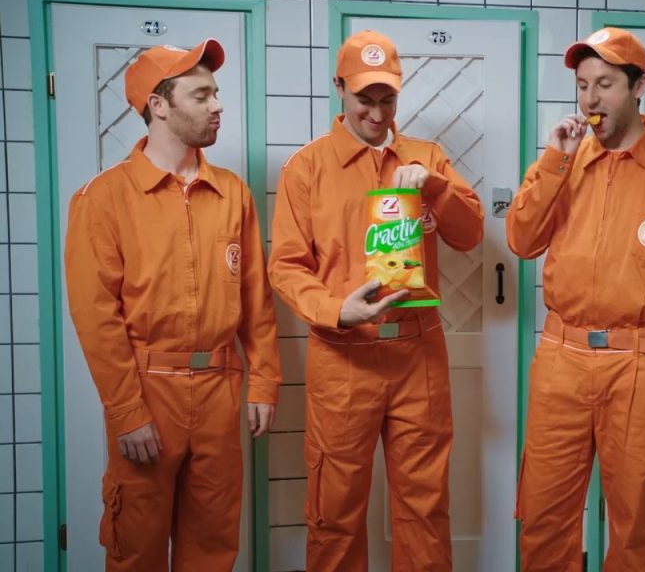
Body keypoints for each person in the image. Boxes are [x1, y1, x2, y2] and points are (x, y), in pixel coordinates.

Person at [506, 27, 645, 571]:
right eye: (583, 86)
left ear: (639, 86)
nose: (591, 99)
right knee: (543, 515)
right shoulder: (564, 160)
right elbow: (522, 240)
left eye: (605, 84)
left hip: (640, 367)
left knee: (634, 525)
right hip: (561, 361)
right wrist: (554, 162)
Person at [267, 30, 483, 571]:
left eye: (388, 99)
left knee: (425, 509)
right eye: (365, 98)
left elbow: (471, 233)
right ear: (339, 88)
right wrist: (336, 310)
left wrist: (434, 189)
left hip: (419, 357)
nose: (377, 112)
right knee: (334, 512)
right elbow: (286, 266)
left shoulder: (426, 156)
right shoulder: (306, 169)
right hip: (343, 357)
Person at [64, 39, 281, 571]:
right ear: (159, 105)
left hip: (219, 392)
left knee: (212, 548)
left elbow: (256, 298)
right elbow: (96, 318)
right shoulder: (103, 199)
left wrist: (266, 380)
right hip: (147, 392)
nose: (217, 105)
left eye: (216, 93)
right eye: (201, 94)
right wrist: (127, 411)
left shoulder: (233, 194)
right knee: (136, 547)